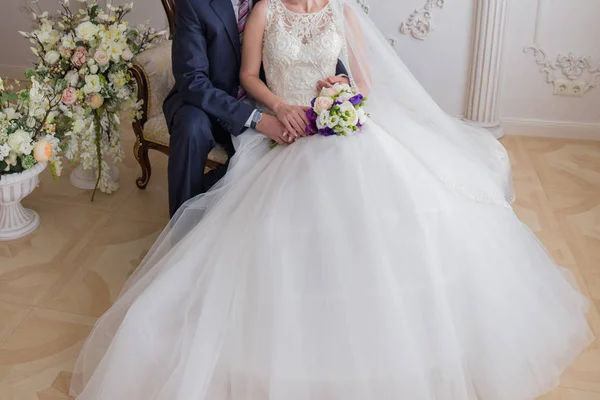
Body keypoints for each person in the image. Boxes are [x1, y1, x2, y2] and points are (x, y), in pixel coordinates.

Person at [71, 0, 594, 398]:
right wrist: (278, 110)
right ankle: (182, 238)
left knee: (381, 195)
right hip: (278, 121)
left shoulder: (339, 7)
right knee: (275, 210)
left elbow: (362, 80)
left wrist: (343, 99)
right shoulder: (263, 12)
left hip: (336, 122)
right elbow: (246, 77)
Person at [163, 0, 349, 217]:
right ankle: (181, 225)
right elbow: (192, 80)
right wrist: (257, 118)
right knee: (191, 126)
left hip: (262, 97)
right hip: (208, 101)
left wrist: (342, 77)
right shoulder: (194, 4)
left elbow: (309, 37)